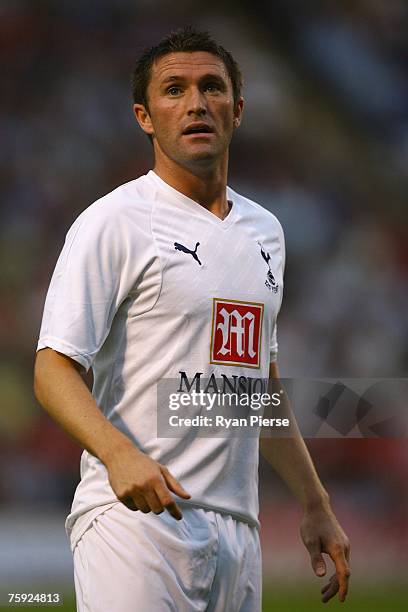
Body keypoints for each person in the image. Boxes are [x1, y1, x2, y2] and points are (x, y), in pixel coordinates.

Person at [34, 26, 350, 611]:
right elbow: (53, 368)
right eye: (174, 90)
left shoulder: (266, 233)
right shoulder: (113, 222)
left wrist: (314, 501)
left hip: (238, 532)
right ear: (144, 116)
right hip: (135, 524)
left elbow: (259, 386)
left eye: (212, 87)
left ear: (238, 109)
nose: (196, 102)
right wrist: (119, 453)